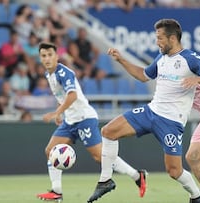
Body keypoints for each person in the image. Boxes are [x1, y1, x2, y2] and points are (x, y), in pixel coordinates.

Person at [87, 18, 200, 203]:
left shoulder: (190, 59)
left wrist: (198, 80)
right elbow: (143, 76)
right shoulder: (161, 57)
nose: (157, 42)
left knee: (174, 171)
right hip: (151, 111)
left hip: (171, 122)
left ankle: (197, 195)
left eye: (160, 38)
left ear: (173, 38)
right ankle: (105, 180)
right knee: (108, 131)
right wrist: (121, 60)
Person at [36, 42, 147, 202]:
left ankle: (137, 175)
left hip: (84, 118)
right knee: (50, 150)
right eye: (44, 56)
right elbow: (63, 96)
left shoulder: (64, 73)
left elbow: (72, 95)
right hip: (70, 120)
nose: (47, 59)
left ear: (56, 56)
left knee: (100, 156)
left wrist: (56, 112)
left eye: (50, 55)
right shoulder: (49, 75)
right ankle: (57, 192)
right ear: (40, 58)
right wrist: (61, 112)